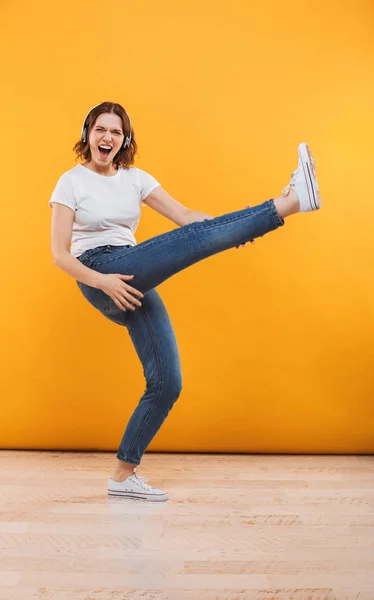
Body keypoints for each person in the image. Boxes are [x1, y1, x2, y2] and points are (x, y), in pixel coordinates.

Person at [49, 101, 322, 502]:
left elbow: (185, 216)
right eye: (100, 129)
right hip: (97, 271)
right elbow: (60, 254)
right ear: (87, 133)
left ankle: (123, 476)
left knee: (166, 383)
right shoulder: (70, 182)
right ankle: (293, 202)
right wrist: (103, 281)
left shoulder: (136, 178)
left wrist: (228, 231)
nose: (107, 137)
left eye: (116, 132)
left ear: (124, 140)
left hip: (133, 270)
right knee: (198, 242)